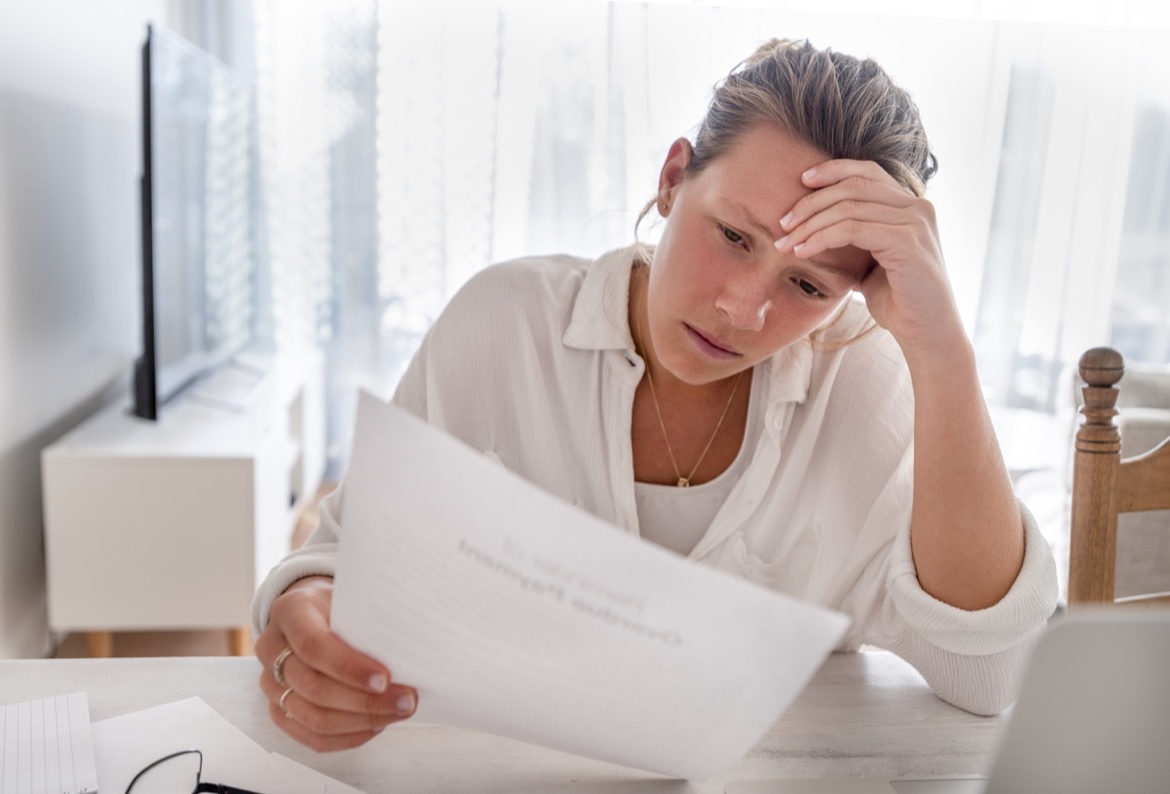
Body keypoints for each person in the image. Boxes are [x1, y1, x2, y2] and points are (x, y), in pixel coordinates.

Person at [251, 38, 1059, 752]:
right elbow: (344, 563)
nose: (745, 309)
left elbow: (990, 673)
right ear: (674, 179)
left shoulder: (863, 391)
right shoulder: (504, 324)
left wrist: (942, 349)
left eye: (808, 284)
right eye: (734, 236)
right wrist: (307, 618)